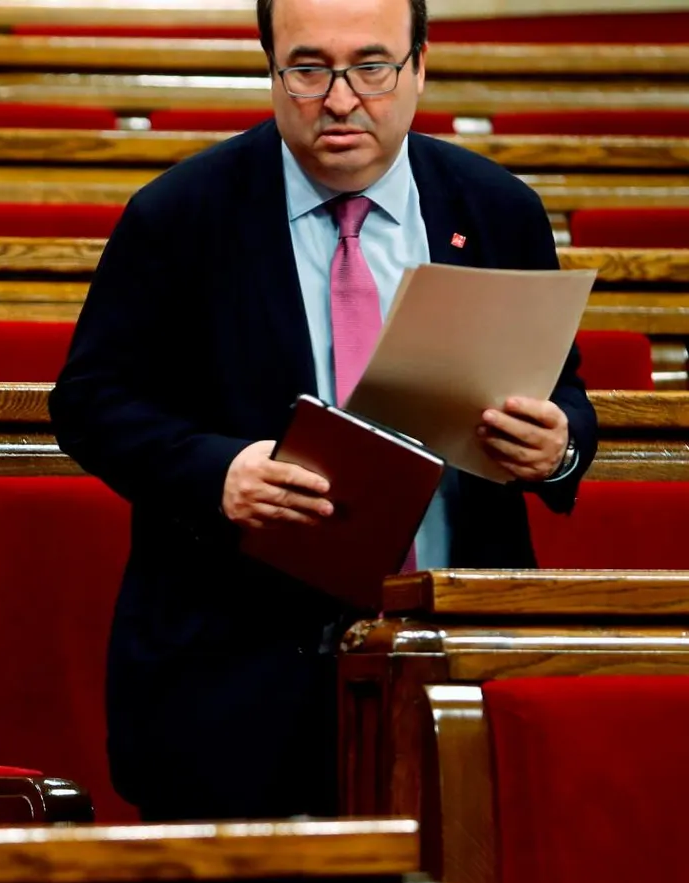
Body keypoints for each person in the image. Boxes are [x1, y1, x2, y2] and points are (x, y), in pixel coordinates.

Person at [50, 0, 596, 822]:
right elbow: (90, 404)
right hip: (237, 679)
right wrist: (216, 472)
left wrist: (556, 447)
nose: (340, 99)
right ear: (271, 69)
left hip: (457, 657)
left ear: (419, 67)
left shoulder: (497, 212)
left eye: (372, 67)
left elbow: (566, 398)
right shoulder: (179, 216)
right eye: (309, 69)